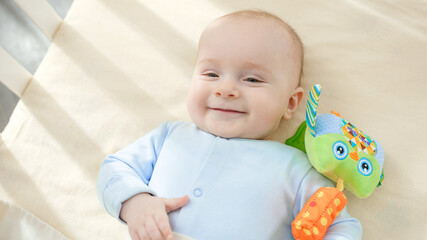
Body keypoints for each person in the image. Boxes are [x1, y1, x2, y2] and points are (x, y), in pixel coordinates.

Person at [97, 10, 362, 240]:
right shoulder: (170, 136)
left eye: (252, 80)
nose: (225, 89)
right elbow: (115, 168)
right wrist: (135, 202)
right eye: (211, 74)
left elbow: (340, 225)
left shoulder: (296, 168)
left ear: (291, 103)